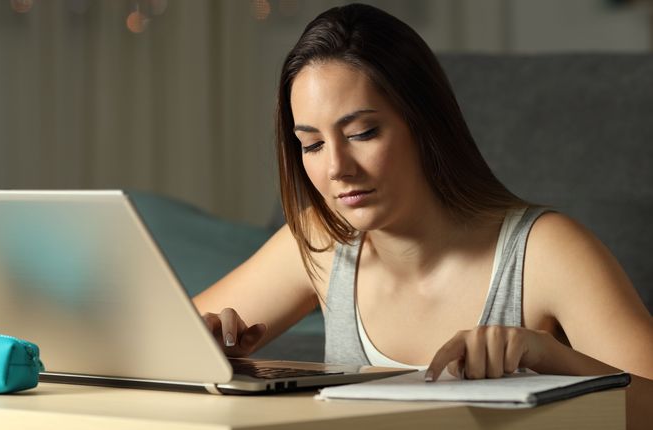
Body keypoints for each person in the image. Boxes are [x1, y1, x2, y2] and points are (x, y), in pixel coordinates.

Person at [193, 3, 652, 426]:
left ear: (424, 123)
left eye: (363, 132)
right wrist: (214, 352)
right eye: (312, 144)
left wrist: (550, 357)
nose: (336, 169)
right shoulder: (322, 241)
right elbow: (151, 343)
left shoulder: (546, 250)